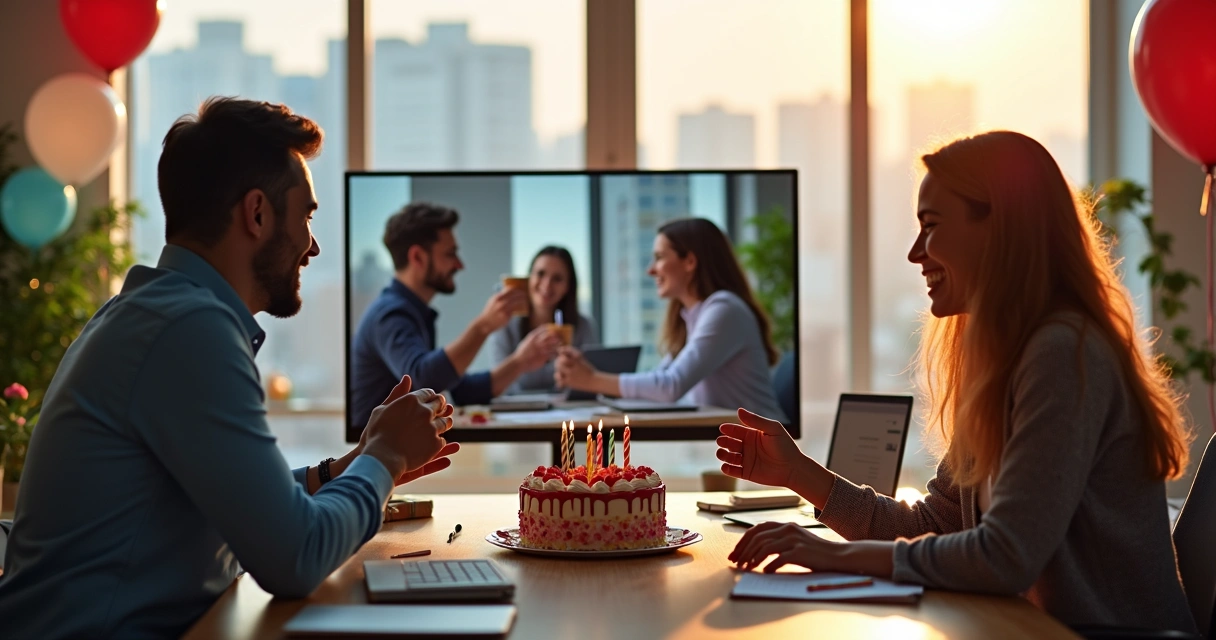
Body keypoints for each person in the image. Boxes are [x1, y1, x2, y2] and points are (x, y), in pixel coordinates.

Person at [0, 98, 460, 638]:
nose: (312, 246)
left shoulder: (153, 313)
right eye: (307, 216)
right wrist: (385, 455)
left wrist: (341, 469)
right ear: (258, 213)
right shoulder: (189, 331)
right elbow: (296, 556)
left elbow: (230, 504)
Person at [717, 131, 1196, 632]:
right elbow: (935, 525)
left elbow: (1006, 554)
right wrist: (799, 473)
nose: (914, 253)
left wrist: (837, 556)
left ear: (1001, 230)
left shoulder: (1063, 354)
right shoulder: (1007, 360)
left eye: (931, 227)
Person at [349, 203, 559, 429]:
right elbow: (422, 382)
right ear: (418, 257)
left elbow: (459, 389)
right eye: (450, 254)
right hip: (376, 460)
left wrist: (520, 362)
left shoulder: (410, 312)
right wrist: (483, 327)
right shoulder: (390, 314)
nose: (460, 264)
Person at [554, 217, 785, 420]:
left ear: (690, 262)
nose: (651, 270)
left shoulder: (725, 309)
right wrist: (587, 371)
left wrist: (592, 379)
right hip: (737, 443)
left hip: (767, 446)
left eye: (659, 257)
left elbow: (671, 386)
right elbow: (660, 380)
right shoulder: (693, 317)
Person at [490, 246, 598, 393]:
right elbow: (498, 384)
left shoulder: (583, 326)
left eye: (557, 278)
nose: (547, 285)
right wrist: (520, 359)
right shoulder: (505, 324)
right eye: (540, 274)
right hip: (514, 412)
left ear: (568, 286)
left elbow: (589, 383)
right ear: (529, 278)